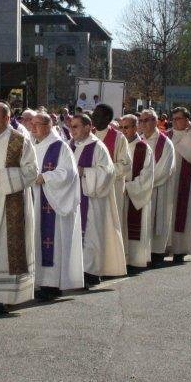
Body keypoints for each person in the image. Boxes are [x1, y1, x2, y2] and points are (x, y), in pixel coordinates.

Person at [0, 102, 39, 314]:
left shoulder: (20, 141)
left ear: (7, 118)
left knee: (6, 248)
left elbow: (32, 171)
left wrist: (2, 176)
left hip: (11, 202)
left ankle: (5, 297)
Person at [28, 111, 84, 299]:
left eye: (38, 124)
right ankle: (38, 282)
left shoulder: (59, 147)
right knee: (36, 239)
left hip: (53, 204)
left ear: (49, 125)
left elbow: (69, 174)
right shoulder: (33, 145)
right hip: (36, 201)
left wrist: (45, 177)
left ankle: (52, 284)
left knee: (53, 241)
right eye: (32, 123)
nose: (33, 127)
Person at [68, 112, 126, 286]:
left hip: (92, 199)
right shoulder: (70, 145)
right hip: (74, 199)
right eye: (71, 126)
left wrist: (85, 172)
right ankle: (75, 271)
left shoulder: (97, 146)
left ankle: (90, 273)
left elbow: (108, 172)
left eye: (76, 126)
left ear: (87, 127)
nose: (72, 130)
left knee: (91, 235)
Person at [164, 107, 191, 263]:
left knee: (182, 215)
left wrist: (186, 139)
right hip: (167, 181)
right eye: (173, 118)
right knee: (166, 213)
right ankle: (164, 247)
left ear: (187, 120)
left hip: (184, 182)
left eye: (178, 118)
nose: (175, 122)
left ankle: (179, 249)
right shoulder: (167, 135)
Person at [138, 110, 175, 267]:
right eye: (141, 120)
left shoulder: (165, 143)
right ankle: (143, 254)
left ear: (155, 121)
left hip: (158, 188)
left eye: (147, 120)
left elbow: (164, 169)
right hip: (140, 190)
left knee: (159, 220)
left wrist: (144, 183)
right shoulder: (139, 141)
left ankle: (157, 254)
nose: (143, 123)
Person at [118, 114, 156, 267]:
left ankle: (134, 261)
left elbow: (147, 176)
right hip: (119, 194)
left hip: (134, 195)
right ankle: (120, 260)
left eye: (126, 127)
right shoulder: (118, 145)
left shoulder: (143, 148)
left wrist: (128, 187)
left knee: (135, 228)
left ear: (135, 128)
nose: (122, 131)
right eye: (120, 127)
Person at [90, 103, 132, 234]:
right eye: (93, 114)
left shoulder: (119, 138)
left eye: (97, 115)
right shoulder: (88, 136)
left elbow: (126, 165)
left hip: (112, 189)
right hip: (91, 188)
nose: (93, 117)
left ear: (107, 118)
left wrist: (102, 172)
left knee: (110, 228)